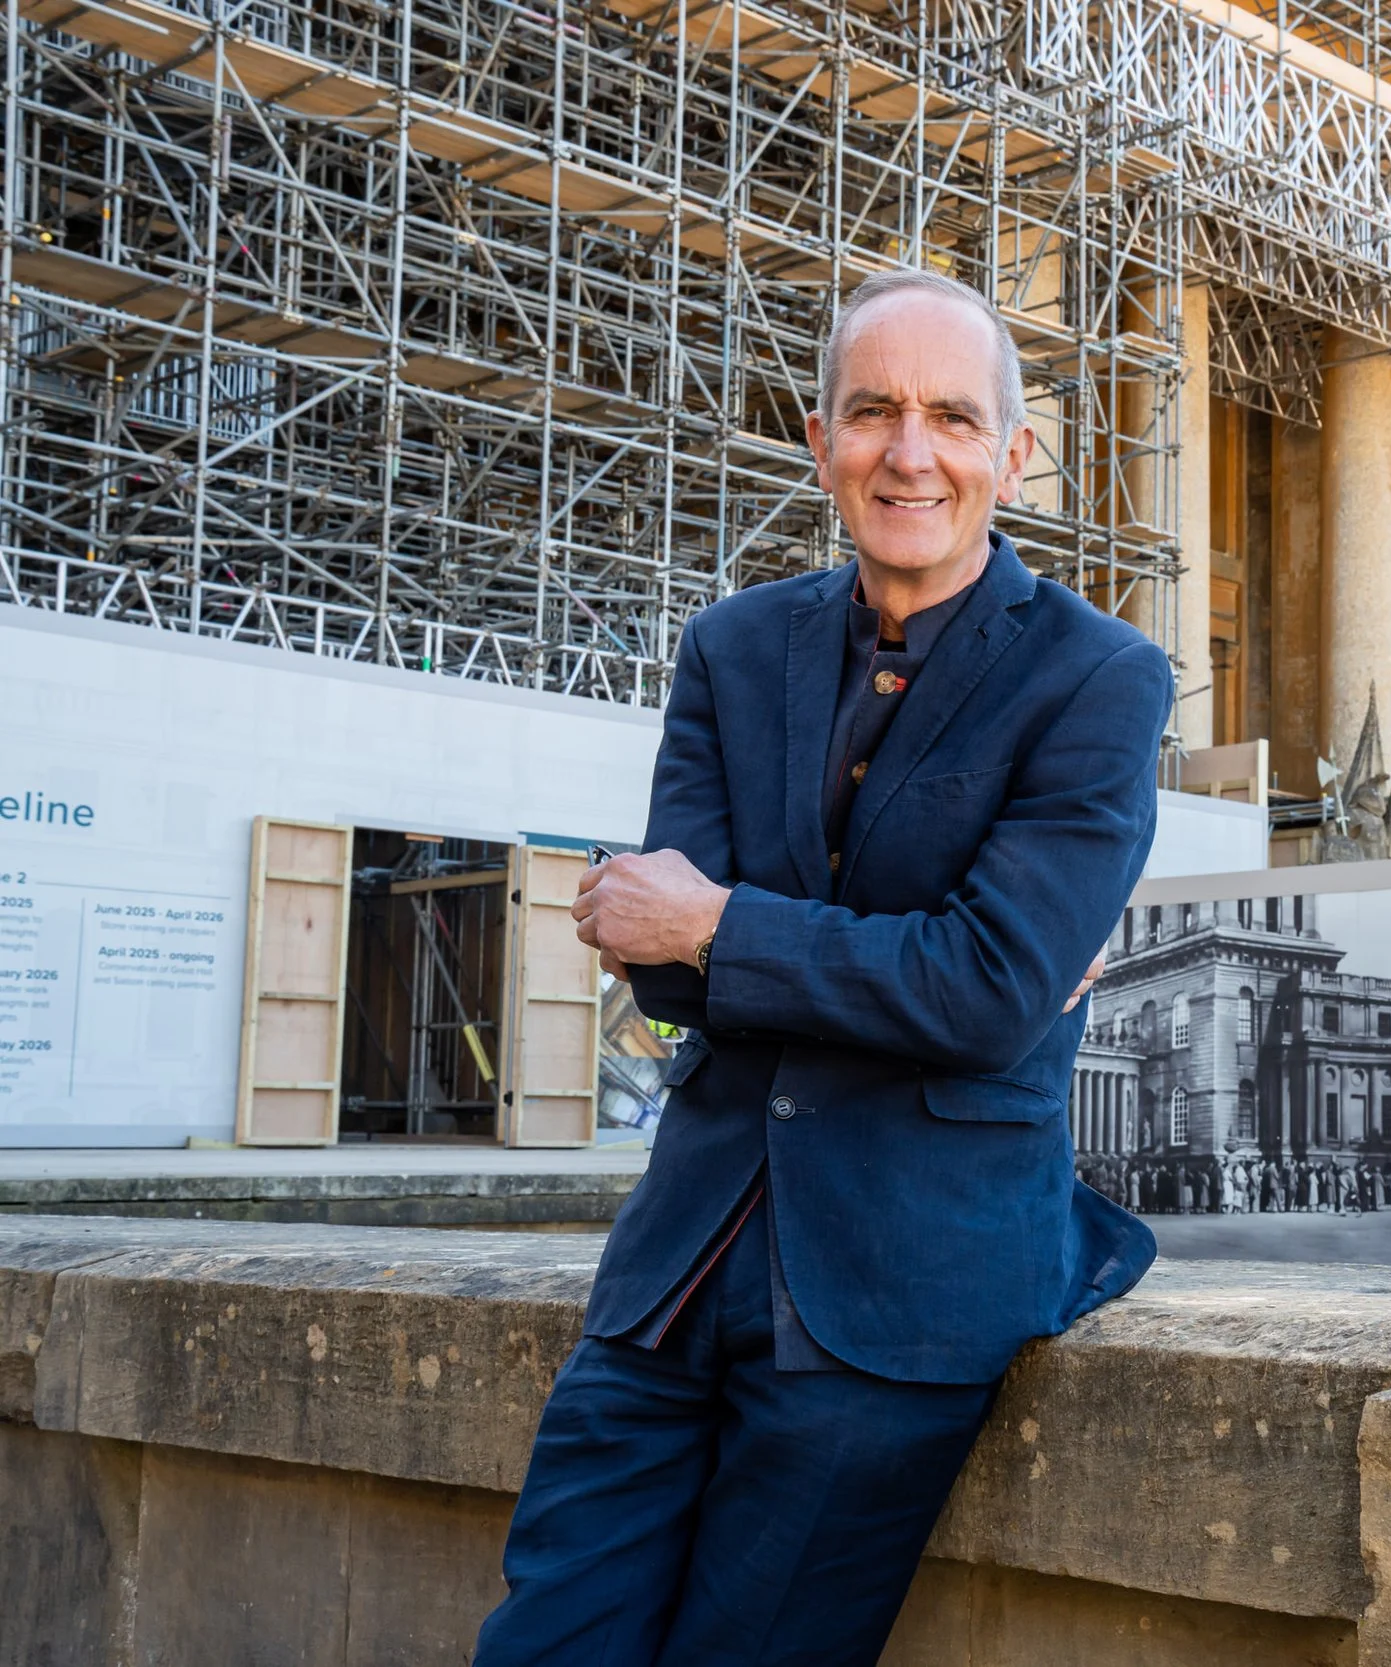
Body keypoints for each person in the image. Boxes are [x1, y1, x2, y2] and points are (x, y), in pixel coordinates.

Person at [473, 268, 1171, 1666]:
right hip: (681, 1266)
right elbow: (664, 985)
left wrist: (727, 923)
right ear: (820, 439)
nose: (910, 452)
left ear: (1012, 453)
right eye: (873, 412)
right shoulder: (733, 647)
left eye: (952, 418)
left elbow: (981, 992)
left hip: (903, 1290)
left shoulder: (1102, 679)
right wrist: (891, 966)